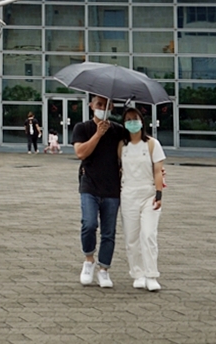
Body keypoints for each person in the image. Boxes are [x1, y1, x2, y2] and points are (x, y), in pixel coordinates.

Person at [71, 95, 128, 289]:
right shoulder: (83, 128)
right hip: (90, 185)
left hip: (112, 187)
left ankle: (104, 269)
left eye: (106, 105)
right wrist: (98, 134)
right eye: (99, 105)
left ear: (112, 106)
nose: (102, 108)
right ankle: (89, 260)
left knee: (109, 232)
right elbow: (80, 153)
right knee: (89, 224)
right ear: (91, 106)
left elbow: (132, 148)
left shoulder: (118, 130)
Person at [119, 106, 166, 291]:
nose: (133, 122)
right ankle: (137, 273)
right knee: (132, 238)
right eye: (128, 119)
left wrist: (159, 193)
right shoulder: (122, 146)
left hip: (148, 195)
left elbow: (158, 171)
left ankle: (151, 274)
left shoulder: (152, 144)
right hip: (128, 195)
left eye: (135, 119)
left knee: (148, 235)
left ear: (142, 121)